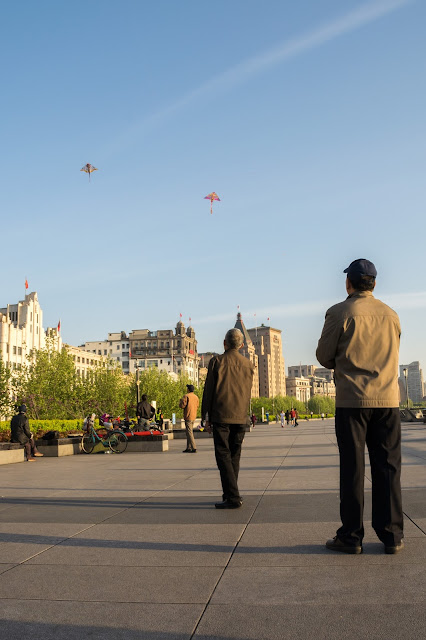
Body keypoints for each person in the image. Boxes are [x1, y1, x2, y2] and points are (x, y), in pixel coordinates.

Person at [316, 258, 403, 555]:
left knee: (352, 468)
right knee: (388, 467)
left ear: (348, 283)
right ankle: (392, 536)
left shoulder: (340, 312)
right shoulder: (391, 315)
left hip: (352, 401)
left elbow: (324, 356)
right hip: (388, 400)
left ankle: (351, 536)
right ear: (374, 284)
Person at [202, 328, 254, 509]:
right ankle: (229, 493)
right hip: (240, 416)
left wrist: (205, 415)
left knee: (223, 455)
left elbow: (208, 390)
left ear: (224, 343)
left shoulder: (217, 361)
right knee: (234, 455)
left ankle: (233, 496)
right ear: (241, 345)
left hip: (221, 415)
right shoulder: (248, 364)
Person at [179, 384, 199, 453]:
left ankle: (194, 447)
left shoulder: (186, 396)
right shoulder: (196, 397)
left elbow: (182, 406)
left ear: (188, 389)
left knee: (190, 432)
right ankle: (188, 447)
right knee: (188, 432)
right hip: (193, 416)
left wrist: (181, 401)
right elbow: (197, 406)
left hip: (188, 416)